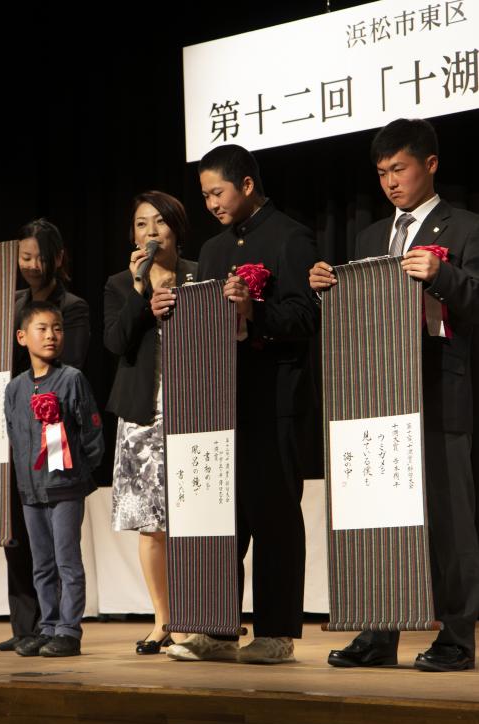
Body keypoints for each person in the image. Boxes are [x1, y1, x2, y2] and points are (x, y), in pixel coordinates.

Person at [310, 117, 479, 672]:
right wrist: (329, 292)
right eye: (382, 173)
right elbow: (364, 318)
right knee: (378, 513)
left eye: (399, 169)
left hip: (443, 394)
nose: (390, 182)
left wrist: (443, 276)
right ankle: (377, 631)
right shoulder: (368, 237)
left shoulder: (466, 228)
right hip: (379, 397)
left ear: (430, 165)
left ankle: (456, 637)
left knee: (451, 525)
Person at [155, 145, 320, 664]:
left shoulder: (290, 236)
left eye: (217, 192)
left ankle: (275, 633)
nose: (210, 204)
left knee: (273, 517)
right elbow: (204, 321)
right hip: (215, 401)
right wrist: (169, 311)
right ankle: (216, 628)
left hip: (273, 399)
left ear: (246, 184)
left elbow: (305, 318)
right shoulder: (213, 249)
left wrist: (257, 310)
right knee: (218, 516)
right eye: (204, 195)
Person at [0, 219, 90, 652]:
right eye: (25, 257)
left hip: (56, 445)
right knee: (19, 536)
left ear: (58, 258)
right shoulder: (9, 301)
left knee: (61, 554)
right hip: (15, 428)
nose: (33, 265)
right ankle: (28, 627)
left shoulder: (70, 307)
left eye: (40, 256)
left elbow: (72, 377)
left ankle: (60, 627)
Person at [104, 191, 197, 654]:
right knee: (152, 524)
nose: (151, 232)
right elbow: (116, 342)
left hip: (196, 411)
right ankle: (163, 620)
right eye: (142, 224)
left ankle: (197, 615)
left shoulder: (198, 275)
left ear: (176, 228)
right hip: (144, 414)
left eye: (159, 222)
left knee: (194, 519)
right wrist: (142, 296)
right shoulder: (122, 284)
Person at [4, 301, 103, 657]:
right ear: (22, 337)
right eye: (42, 328)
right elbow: (15, 438)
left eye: (57, 328)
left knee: (66, 561)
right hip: (30, 490)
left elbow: (92, 434)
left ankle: (68, 630)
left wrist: (78, 474)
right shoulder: (14, 389)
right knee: (41, 562)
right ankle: (46, 626)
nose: (51, 335)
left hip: (65, 487)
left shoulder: (71, 379)